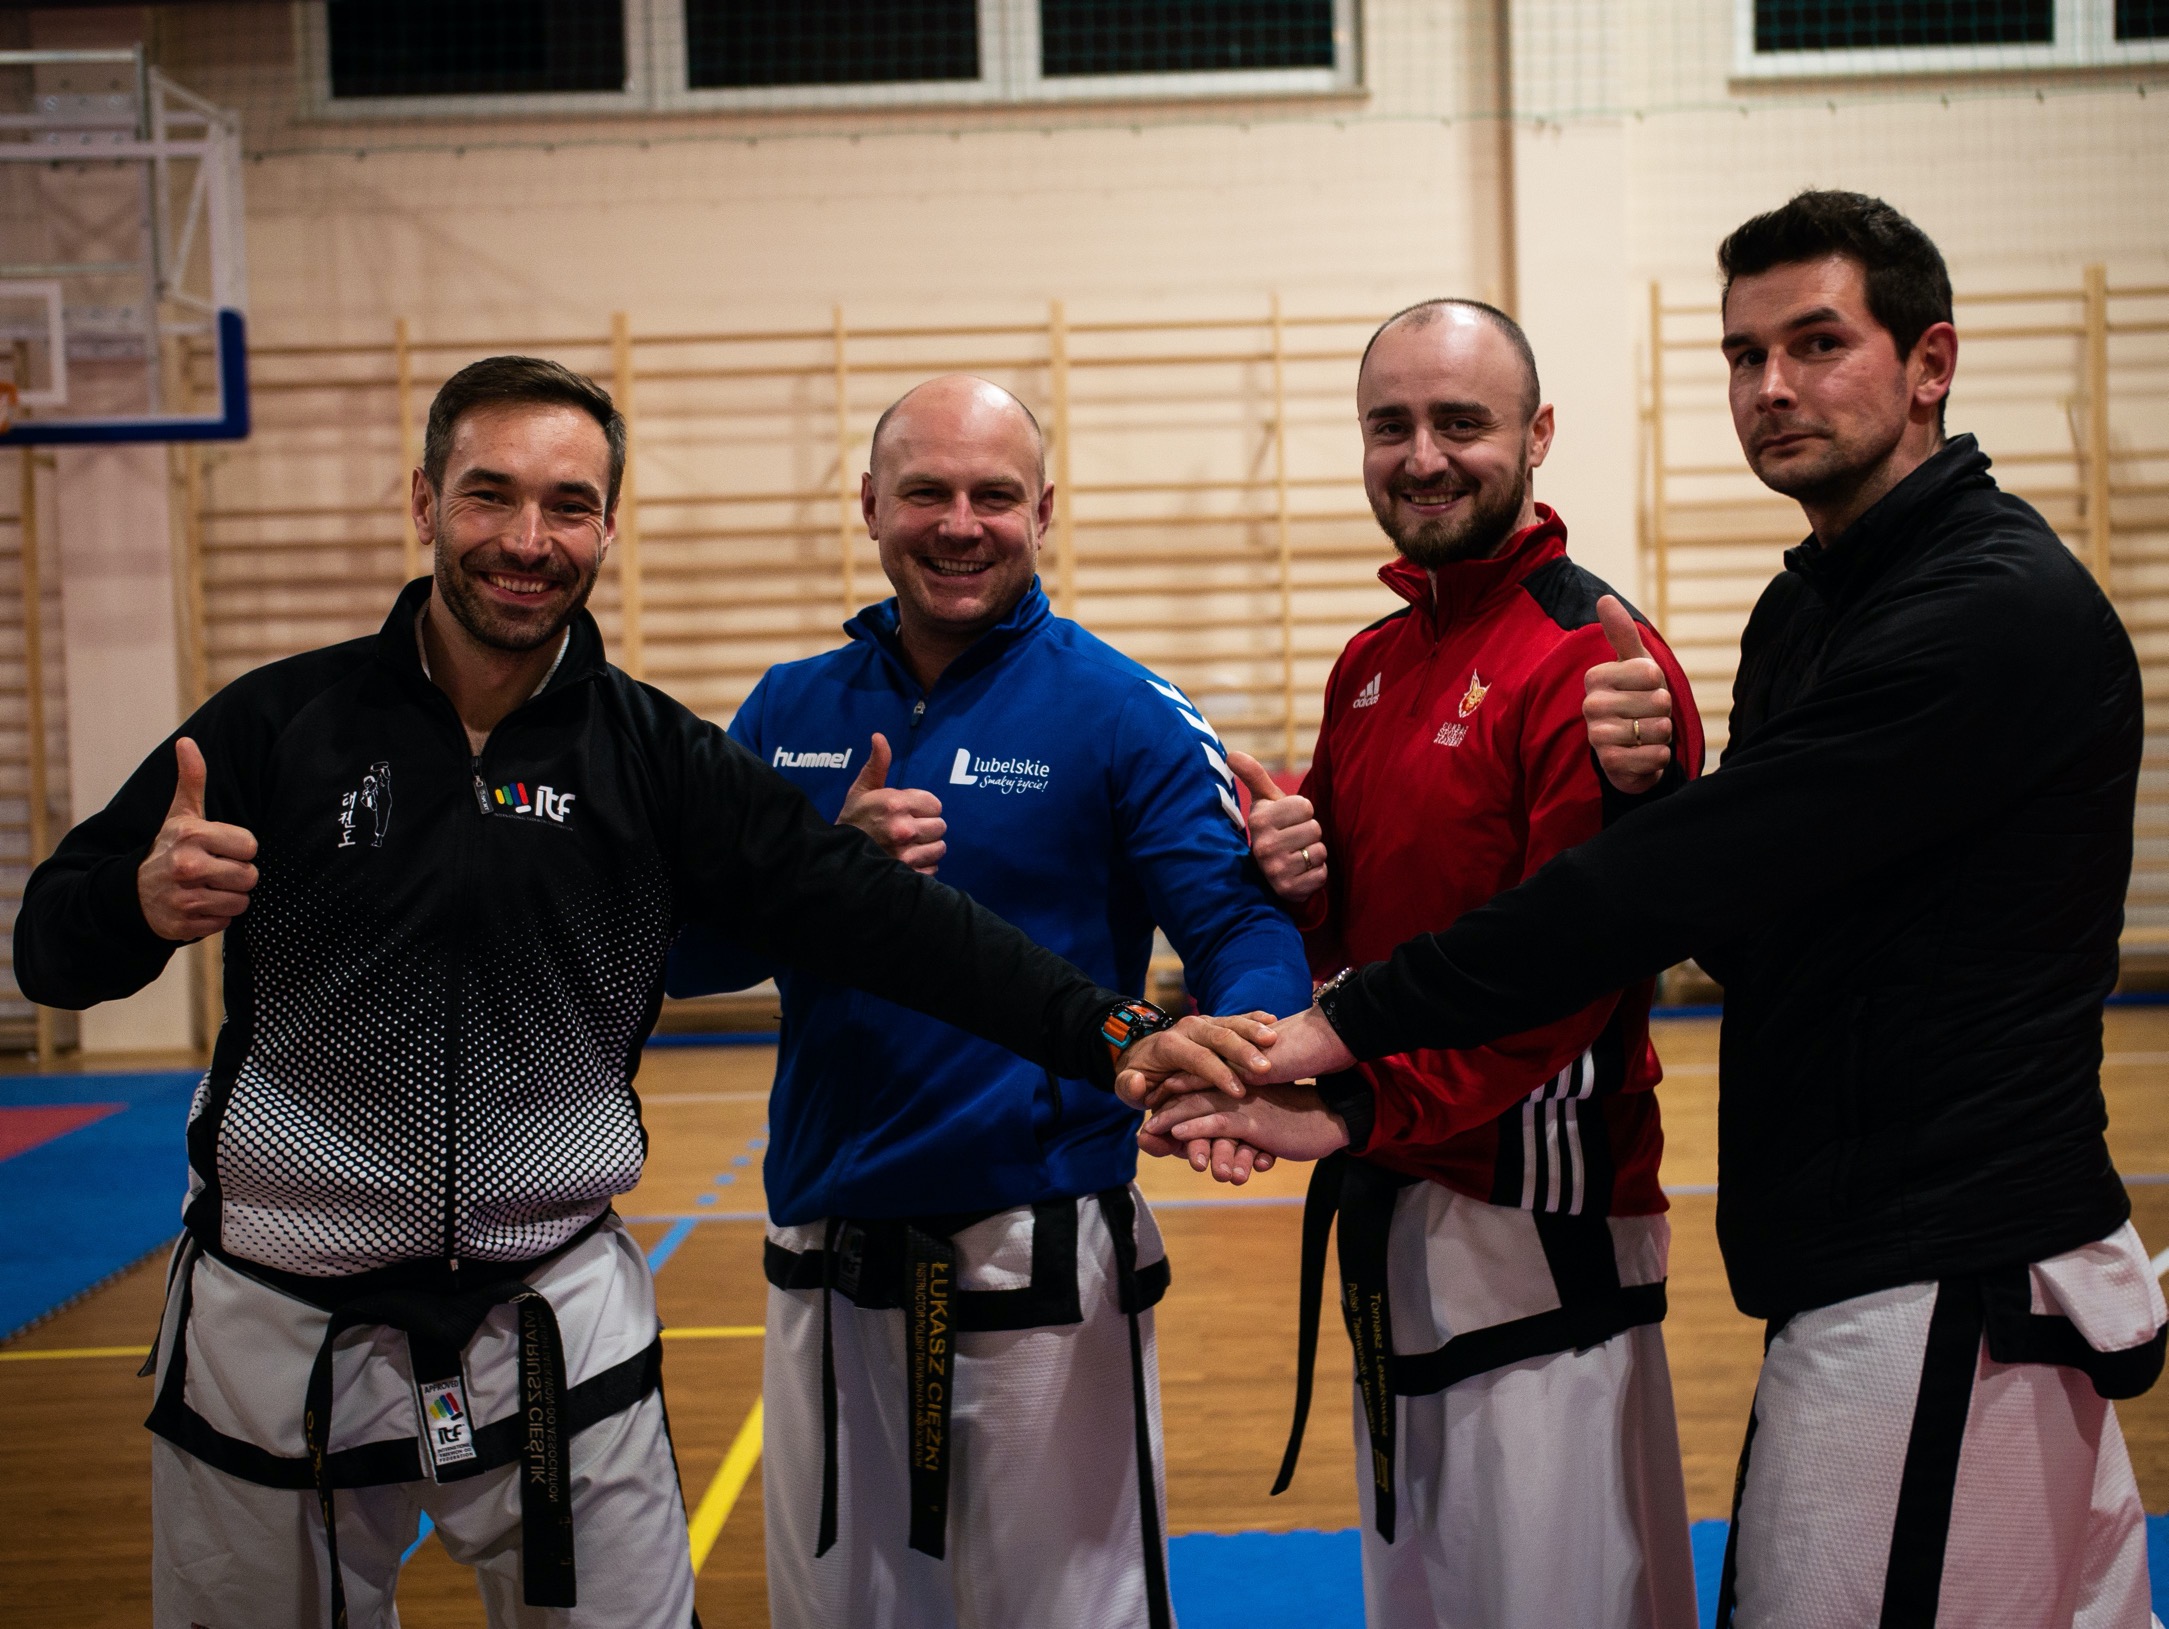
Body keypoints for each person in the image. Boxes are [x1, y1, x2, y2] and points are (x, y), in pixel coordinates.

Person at [13, 355, 1272, 1629]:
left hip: (551, 1311)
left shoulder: (653, 755)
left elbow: (891, 923)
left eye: (568, 505)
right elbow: (50, 948)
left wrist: (1113, 1028)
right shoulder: (278, 726)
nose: (527, 540)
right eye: (490, 495)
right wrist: (137, 905)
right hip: (279, 1314)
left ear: (607, 527)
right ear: (425, 501)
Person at [1138, 192, 2167, 1627]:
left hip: (1941, 1255)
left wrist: (1338, 1051)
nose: (1773, 386)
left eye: (1818, 343)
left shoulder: (1982, 609)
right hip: (1841, 1246)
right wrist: (1329, 908)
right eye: (1745, 354)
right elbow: (1745, 923)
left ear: (1930, 362)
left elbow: (1636, 903)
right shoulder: (1808, 607)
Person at [664, 374, 1313, 1629]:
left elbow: (1240, 926)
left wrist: (1248, 1060)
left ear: (1043, 512)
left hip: (1039, 1252)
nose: (959, 524)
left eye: (993, 495)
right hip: (825, 1254)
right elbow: (678, 957)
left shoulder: (1123, 709)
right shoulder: (787, 711)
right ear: (869, 504)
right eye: (926, 493)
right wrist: (817, 876)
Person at [1154, 300, 1704, 1626]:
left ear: (1538, 434)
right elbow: (1365, 941)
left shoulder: (1594, 663)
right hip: (1398, 1194)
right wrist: (1306, 887)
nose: (1422, 456)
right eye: (1389, 424)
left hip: (1536, 1216)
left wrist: (1349, 1103)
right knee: (1429, 1594)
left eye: (1462, 422)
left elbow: (1560, 979)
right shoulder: (1374, 661)